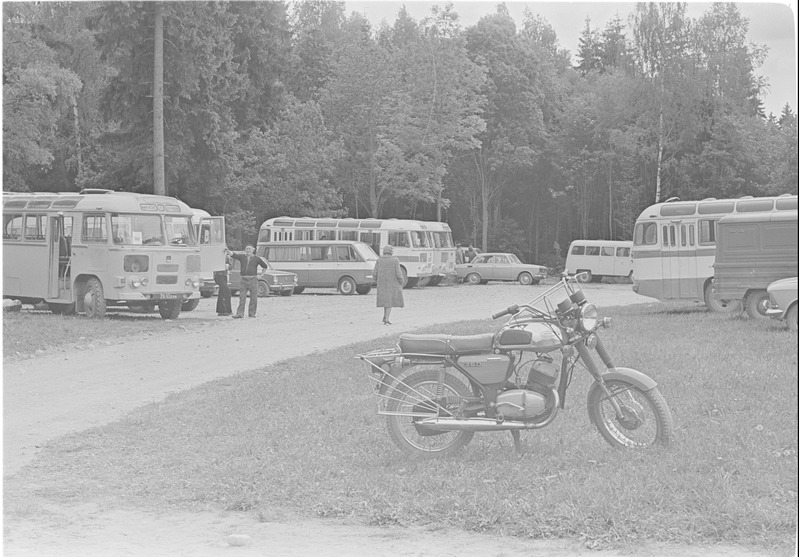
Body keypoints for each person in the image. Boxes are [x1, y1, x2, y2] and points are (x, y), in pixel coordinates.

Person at [227, 245, 269, 319]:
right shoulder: (242, 257)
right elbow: (233, 255)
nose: (248, 250)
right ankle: (240, 314)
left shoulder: (257, 259)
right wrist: (227, 250)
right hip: (243, 280)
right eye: (246, 249)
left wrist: (261, 275)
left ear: (253, 250)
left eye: (249, 249)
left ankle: (252, 314)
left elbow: (265, 266)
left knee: (253, 298)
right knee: (242, 297)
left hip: (253, 280)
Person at [374, 244, 404, 325]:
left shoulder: (379, 260)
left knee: (385, 301)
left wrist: (377, 281)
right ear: (391, 252)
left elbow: (375, 273)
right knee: (389, 301)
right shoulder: (395, 260)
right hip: (392, 283)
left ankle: (384, 316)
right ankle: (387, 319)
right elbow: (398, 273)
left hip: (382, 283)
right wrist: (401, 280)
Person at [214, 252, 233, 316]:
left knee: (222, 292)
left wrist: (228, 266)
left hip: (224, 275)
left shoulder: (226, 257)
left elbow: (231, 266)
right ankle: (227, 310)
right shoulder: (216, 257)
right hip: (218, 275)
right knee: (226, 291)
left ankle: (221, 311)